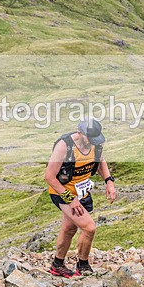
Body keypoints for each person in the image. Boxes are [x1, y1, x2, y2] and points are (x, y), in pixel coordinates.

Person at [44, 118, 116, 278]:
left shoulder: (95, 143)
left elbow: (100, 161)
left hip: (81, 192)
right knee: (89, 228)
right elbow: (49, 176)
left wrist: (109, 181)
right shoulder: (64, 146)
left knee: (69, 228)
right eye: (90, 139)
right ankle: (83, 266)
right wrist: (70, 199)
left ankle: (57, 265)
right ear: (80, 133)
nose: (93, 142)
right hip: (62, 192)